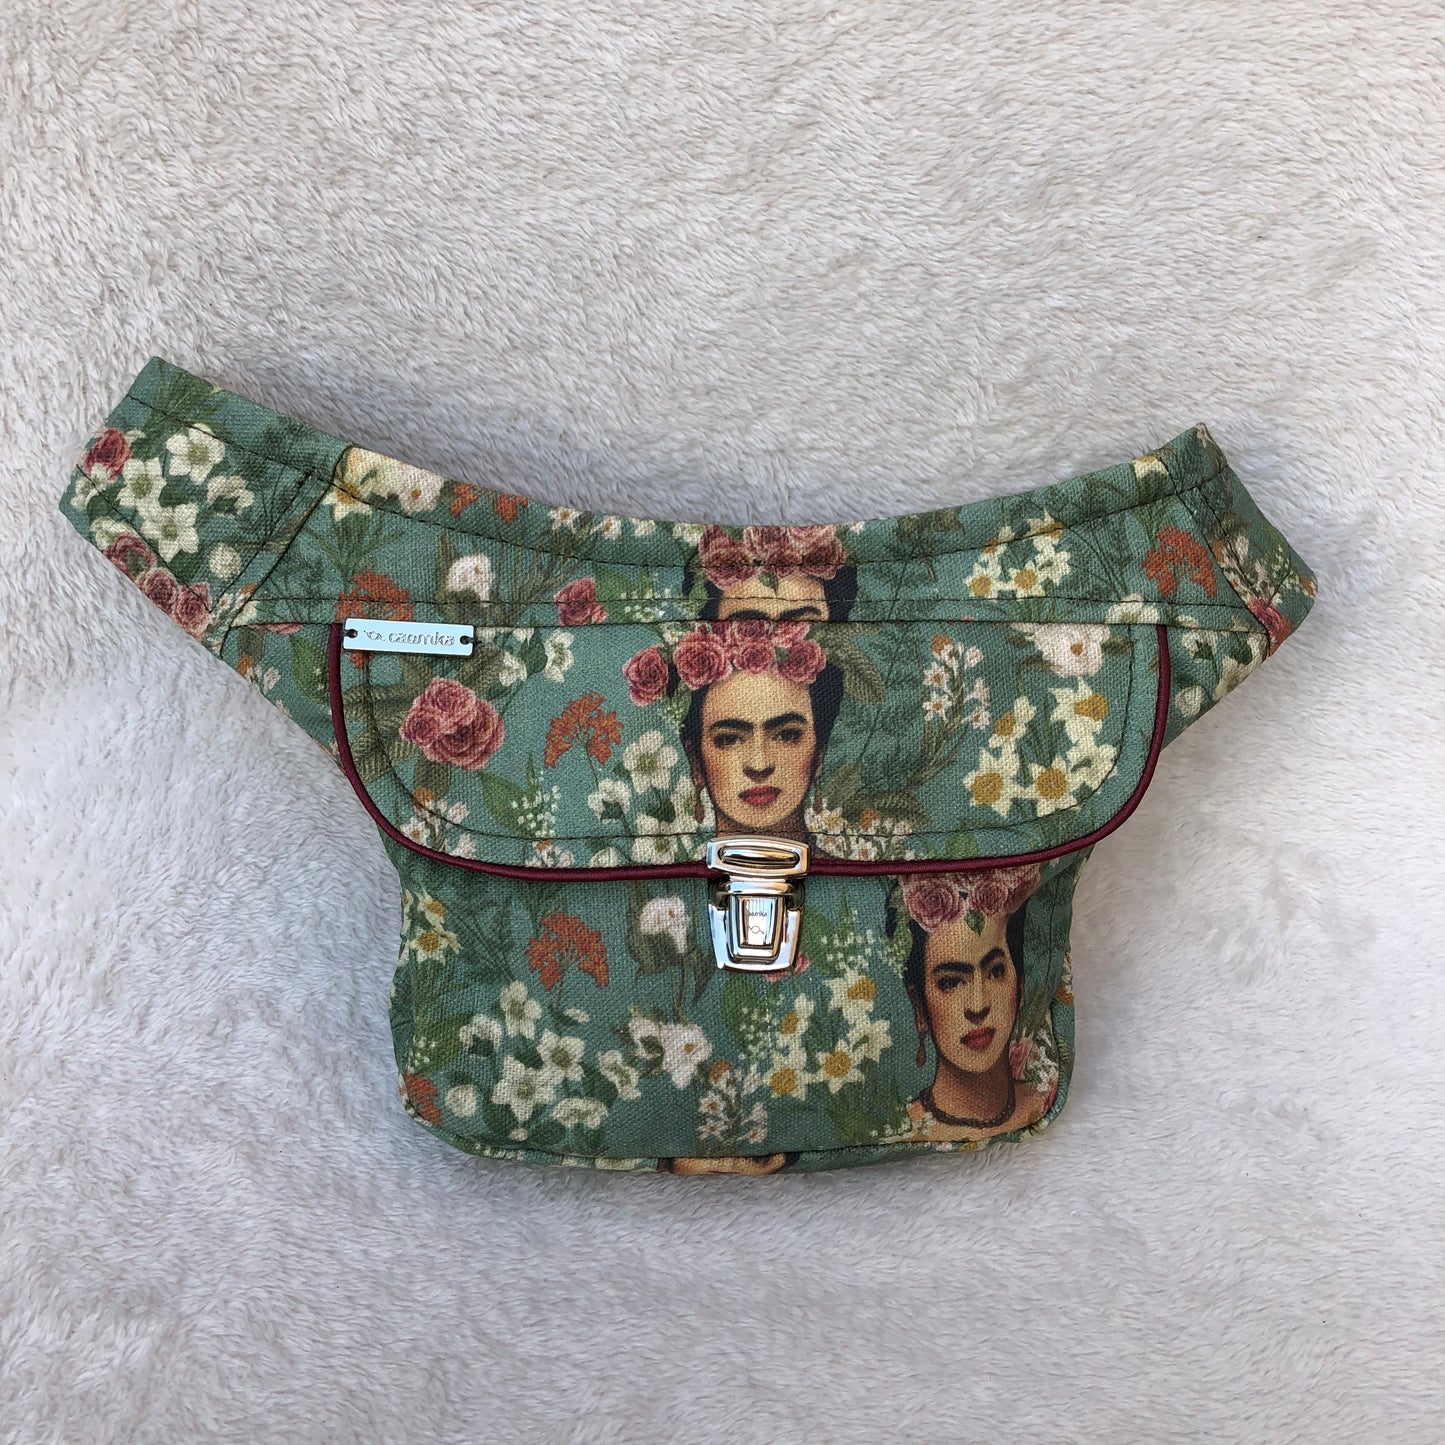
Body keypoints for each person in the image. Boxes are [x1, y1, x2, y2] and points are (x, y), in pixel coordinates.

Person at [888, 868, 1049, 1142]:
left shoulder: (1041, 1097)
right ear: (919, 1007)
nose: (977, 1006)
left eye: (995, 971)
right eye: (951, 982)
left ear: (1019, 982)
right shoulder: (899, 1126)